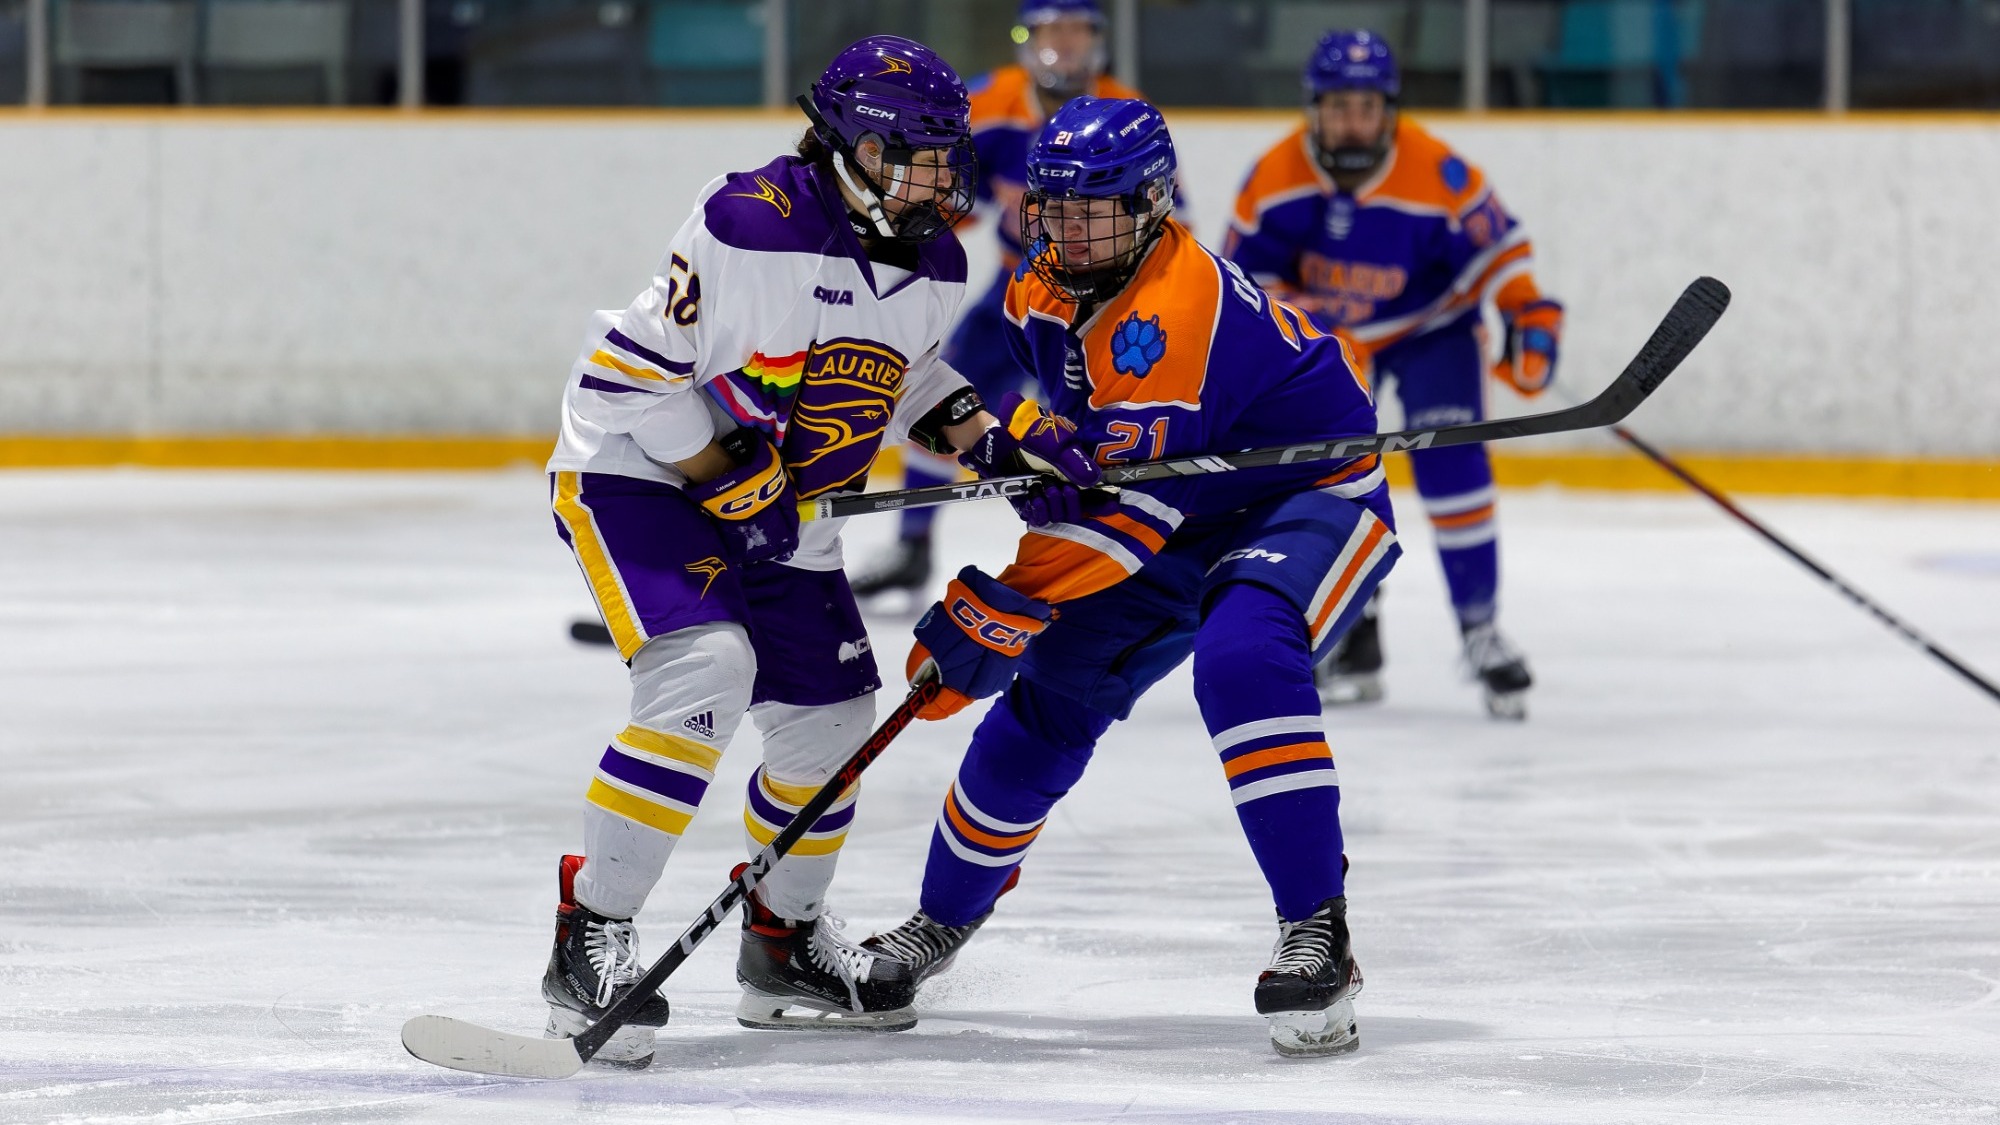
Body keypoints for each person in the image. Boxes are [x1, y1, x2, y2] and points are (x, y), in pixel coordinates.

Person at [537, 35, 1091, 1066]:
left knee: (829, 726)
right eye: (910, 153)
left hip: (786, 505)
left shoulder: (937, 257)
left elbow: (907, 376)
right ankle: (588, 940)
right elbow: (622, 379)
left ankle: (780, 946)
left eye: (944, 153)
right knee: (708, 671)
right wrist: (717, 470)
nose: (936, 175)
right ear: (845, 145)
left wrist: (988, 440)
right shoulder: (750, 222)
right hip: (640, 474)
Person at [860, 96, 1400, 1058]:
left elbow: (1124, 514)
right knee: (1049, 694)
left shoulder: (1176, 308)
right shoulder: (1038, 288)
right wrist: (1044, 456)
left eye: (1092, 210)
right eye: (1052, 207)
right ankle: (941, 915)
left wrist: (1005, 602)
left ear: (1151, 204)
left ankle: (1317, 930)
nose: (1067, 228)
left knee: (1242, 655)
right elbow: (1093, 463)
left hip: (1310, 496)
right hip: (1180, 507)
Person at [1225, 30, 1561, 719]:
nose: (1355, 122)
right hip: (1333, 341)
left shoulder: (1437, 175)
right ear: (1314, 109)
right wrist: (1306, 317)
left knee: (1453, 464)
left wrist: (1525, 308)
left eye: (1369, 107)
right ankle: (1354, 636)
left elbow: (1500, 247)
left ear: (1390, 110)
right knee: (1335, 477)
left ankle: (1480, 629)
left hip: (1431, 329)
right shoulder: (1273, 180)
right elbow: (1241, 282)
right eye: (1340, 107)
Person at [849, 0, 1146, 602]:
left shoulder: (1127, 117)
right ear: (1024, 40)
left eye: (1077, 31)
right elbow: (954, 197)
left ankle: (1121, 543)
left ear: (1099, 41)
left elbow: (1165, 217)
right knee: (946, 391)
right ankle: (912, 543)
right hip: (1022, 290)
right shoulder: (987, 105)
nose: (1063, 45)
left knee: (1102, 427)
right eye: (1049, 32)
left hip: (1109, 301)